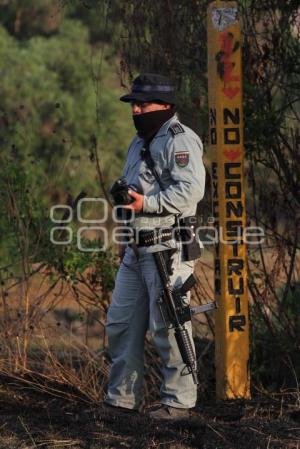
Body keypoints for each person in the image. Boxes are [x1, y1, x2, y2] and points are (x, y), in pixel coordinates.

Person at [105, 73, 206, 420]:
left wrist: (144, 205)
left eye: (143, 104)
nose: (136, 110)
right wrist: (125, 234)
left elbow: (190, 191)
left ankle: (178, 405)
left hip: (168, 249)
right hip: (135, 249)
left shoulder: (180, 140)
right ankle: (121, 401)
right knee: (120, 325)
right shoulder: (139, 141)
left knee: (169, 327)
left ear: (165, 106)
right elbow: (131, 193)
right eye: (133, 104)